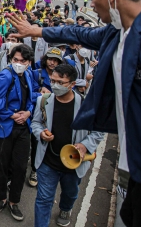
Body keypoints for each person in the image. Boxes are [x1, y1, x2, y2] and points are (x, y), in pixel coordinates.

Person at [7, 0, 141, 227]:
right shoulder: (116, 32)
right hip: (133, 159)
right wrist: (37, 30)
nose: (90, 3)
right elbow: (76, 33)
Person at [32, 64, 104, 227]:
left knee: (70, 193)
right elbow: (36, 123)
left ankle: (66, 208)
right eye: (52, 81)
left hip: (74, 164)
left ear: (72, 84)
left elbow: (99, 131)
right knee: (44, 199)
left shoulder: (87, 105)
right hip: (47, 161)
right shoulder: (43, 101)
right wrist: (41, 133)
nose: (54, 85)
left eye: (60, 82)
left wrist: (85, 145)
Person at [0, 44, 40, 221]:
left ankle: (14, 201)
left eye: (22, 61)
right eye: (15, 60)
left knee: (20, 167)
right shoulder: (4, 76)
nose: (18, 63)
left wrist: (28, 112)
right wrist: (12, 115)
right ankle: (1, 198)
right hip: (6, 126)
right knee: (2, 165)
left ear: (29, 62)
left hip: (24, 127)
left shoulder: (29, 74)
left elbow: (32, 98)